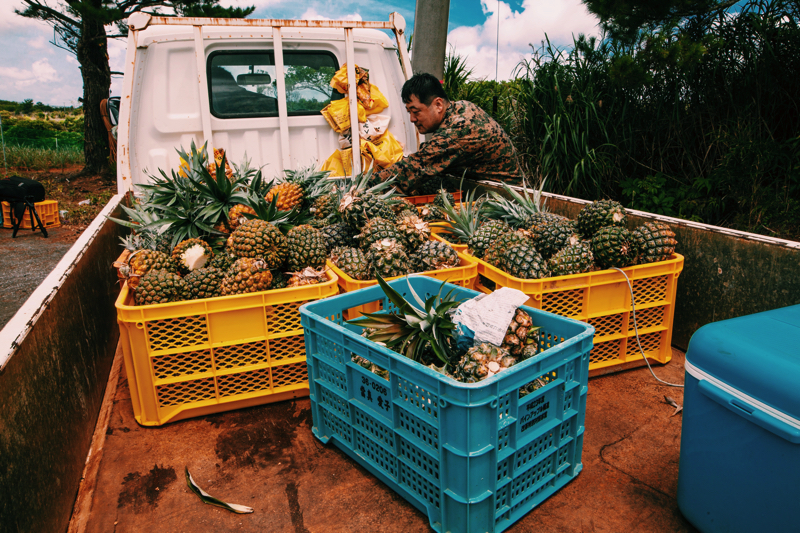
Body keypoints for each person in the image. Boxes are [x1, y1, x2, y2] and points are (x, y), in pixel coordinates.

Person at [373, 72, 521, 193]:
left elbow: (417, 166)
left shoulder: (460, 128)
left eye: (416, 111)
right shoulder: (461, 107)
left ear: (438, 104)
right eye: (409, 112)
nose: (412, 119)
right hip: (481, 190)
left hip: (506, 197)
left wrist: (366, 185)